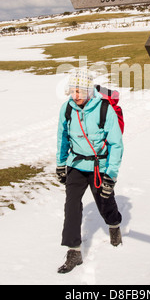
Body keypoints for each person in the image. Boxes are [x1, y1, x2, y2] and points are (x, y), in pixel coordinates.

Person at [56, 69, 124, 274]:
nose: (75, 95)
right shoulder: (67, 108)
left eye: (79, 91)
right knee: (71, 205)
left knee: (104, 200)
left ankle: (114, 224)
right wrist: (60, 164)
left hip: (98, 166)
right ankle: (73, 250)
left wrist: (110, 176)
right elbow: (63, 137)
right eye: (72, 91)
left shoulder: (103, 109)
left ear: (88, 90)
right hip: (76, 164)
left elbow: (116, 143)